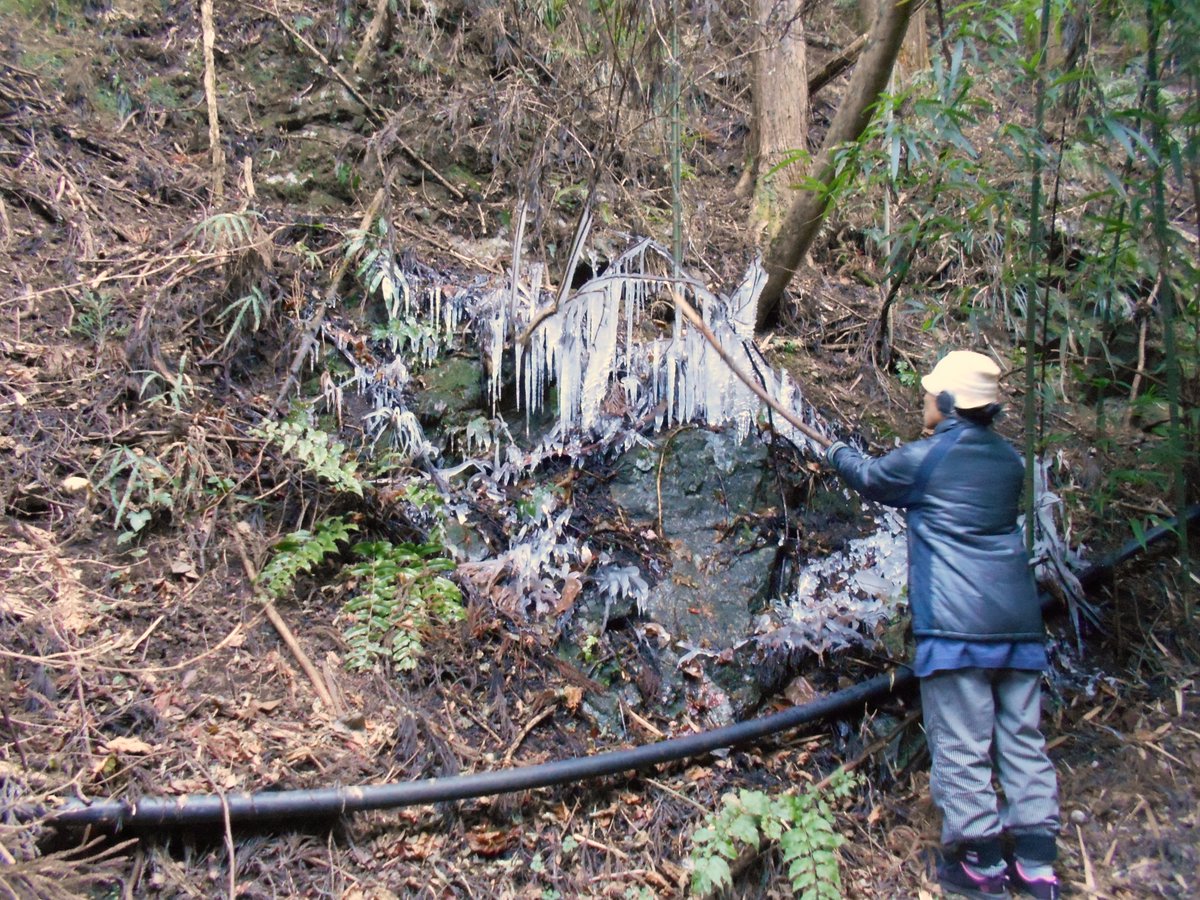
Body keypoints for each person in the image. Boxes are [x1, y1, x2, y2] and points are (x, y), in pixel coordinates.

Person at [824, 351, 1060, 900]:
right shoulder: (1010, 462)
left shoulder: (929, 458)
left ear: (952, 403)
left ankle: (978, 864)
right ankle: (1037, 865)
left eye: (932, 393)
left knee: (962, 743)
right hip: (1019, 625)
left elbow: (869, 477)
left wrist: (833, 448)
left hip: (956, 628)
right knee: (1023, 739)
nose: (924, 399)